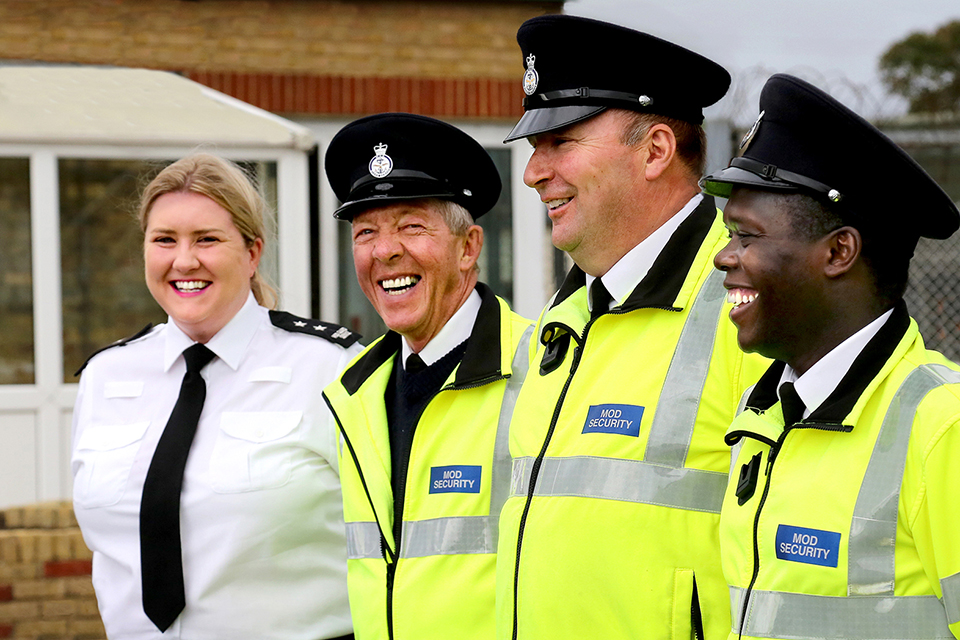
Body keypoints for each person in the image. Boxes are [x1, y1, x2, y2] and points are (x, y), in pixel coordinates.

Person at [496, 14, 770, 640]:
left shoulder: (751, 300)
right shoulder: (562, 318)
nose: (533, 172)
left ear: (654, 152)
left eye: (559, 142)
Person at [701, 74, 960, 640]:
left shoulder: (944, 428)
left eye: (746, 237)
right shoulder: (764, 411)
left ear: (839, 251)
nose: (724, 257)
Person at [71, 153, 361, 640]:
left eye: (207, 239)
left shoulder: (330, 367)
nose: (184, 261)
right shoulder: (104, 376)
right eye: (164, 240)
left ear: (252, 253)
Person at [322, 113, 534, 640]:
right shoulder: (355, 390)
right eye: (365, 231)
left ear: (468, 248)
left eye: (411, 226)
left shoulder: (544, 370)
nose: (384, 251)